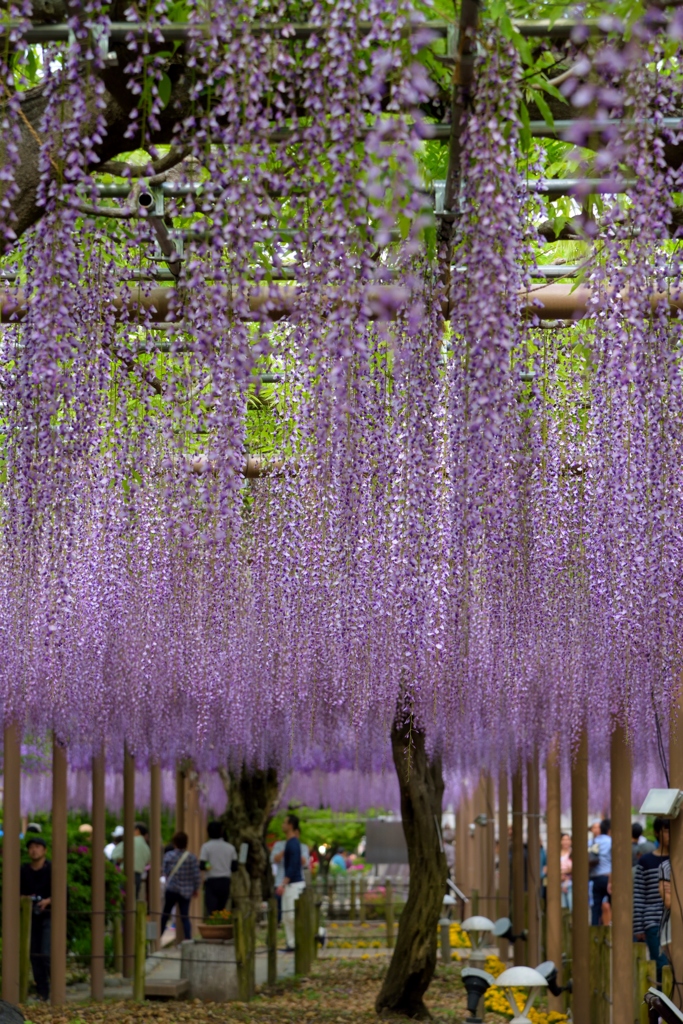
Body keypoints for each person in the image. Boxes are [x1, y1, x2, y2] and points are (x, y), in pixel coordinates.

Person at [634, 817, 670, 982]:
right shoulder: (646, 861)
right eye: (666, 830)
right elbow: (639, 894)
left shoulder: (678, 859)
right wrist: (638, 927)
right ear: (657, 832)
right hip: (653, 921)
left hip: (675, 920)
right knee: (662, 966)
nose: (670, 834)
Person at [20, 835, 51, 1001]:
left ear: (44, 850)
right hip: (30, 918)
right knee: (34, 955)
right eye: (31, 847)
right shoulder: (23, 870)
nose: (34, 850)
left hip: (48, 916)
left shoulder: (52, 869)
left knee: (46, 954)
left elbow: (63, 893)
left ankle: (52, 986)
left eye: (38, 847)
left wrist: (48, 901)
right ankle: (42, 992)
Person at [161, 832, 200, 940]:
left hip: (172, 889)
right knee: (185, 917)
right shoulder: (191, 857)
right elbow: (196, 875)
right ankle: (188, 939)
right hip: (186, 891)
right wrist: (196, 889)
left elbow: (164, 871)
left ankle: (157, 939)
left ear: (174, 843)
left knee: (165, 915)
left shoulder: (169, 855)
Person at [276, 813, 305, 952]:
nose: (282, 825)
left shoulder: (293, 844)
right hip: (290, 885)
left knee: (293, 916)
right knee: (287, 917)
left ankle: (319, 933)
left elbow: (294, 866)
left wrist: (283, 883)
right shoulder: (289, 843)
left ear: (290, 825)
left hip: (294, 885)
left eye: (284, 822)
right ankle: (291, 944)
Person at [200, 821, 237, 916]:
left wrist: (211, 865)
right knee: (222, 910)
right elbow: (234, 867)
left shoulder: (206, 847)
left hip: (211, 881)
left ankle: (213, 928)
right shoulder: (230, 848)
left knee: (211, 910)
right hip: (225, 881)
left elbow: (202, 865)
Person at [112, 822, 151, 898]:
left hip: (124, 874)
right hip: (138, 876)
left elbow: (115, 856)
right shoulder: (146, 847)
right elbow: (148, 860)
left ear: (137, 830)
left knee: (123, 900)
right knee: (133, 900)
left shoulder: (129, 841)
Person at [589, 818, 611, 926]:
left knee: (596, 907)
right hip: (608, 877)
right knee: (612, 905)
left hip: (595, 878)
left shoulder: (591, 842)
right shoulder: (610, 841)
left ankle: (594, 930)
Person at [560, 833, 573, 910]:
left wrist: (563, 872)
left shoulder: (573, 852)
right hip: (559, 884)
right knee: (563, 909)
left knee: (571, 907)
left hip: (571, 883)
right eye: (563, 840)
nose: (566, 842)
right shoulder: (556, 853)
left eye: (567, 839)